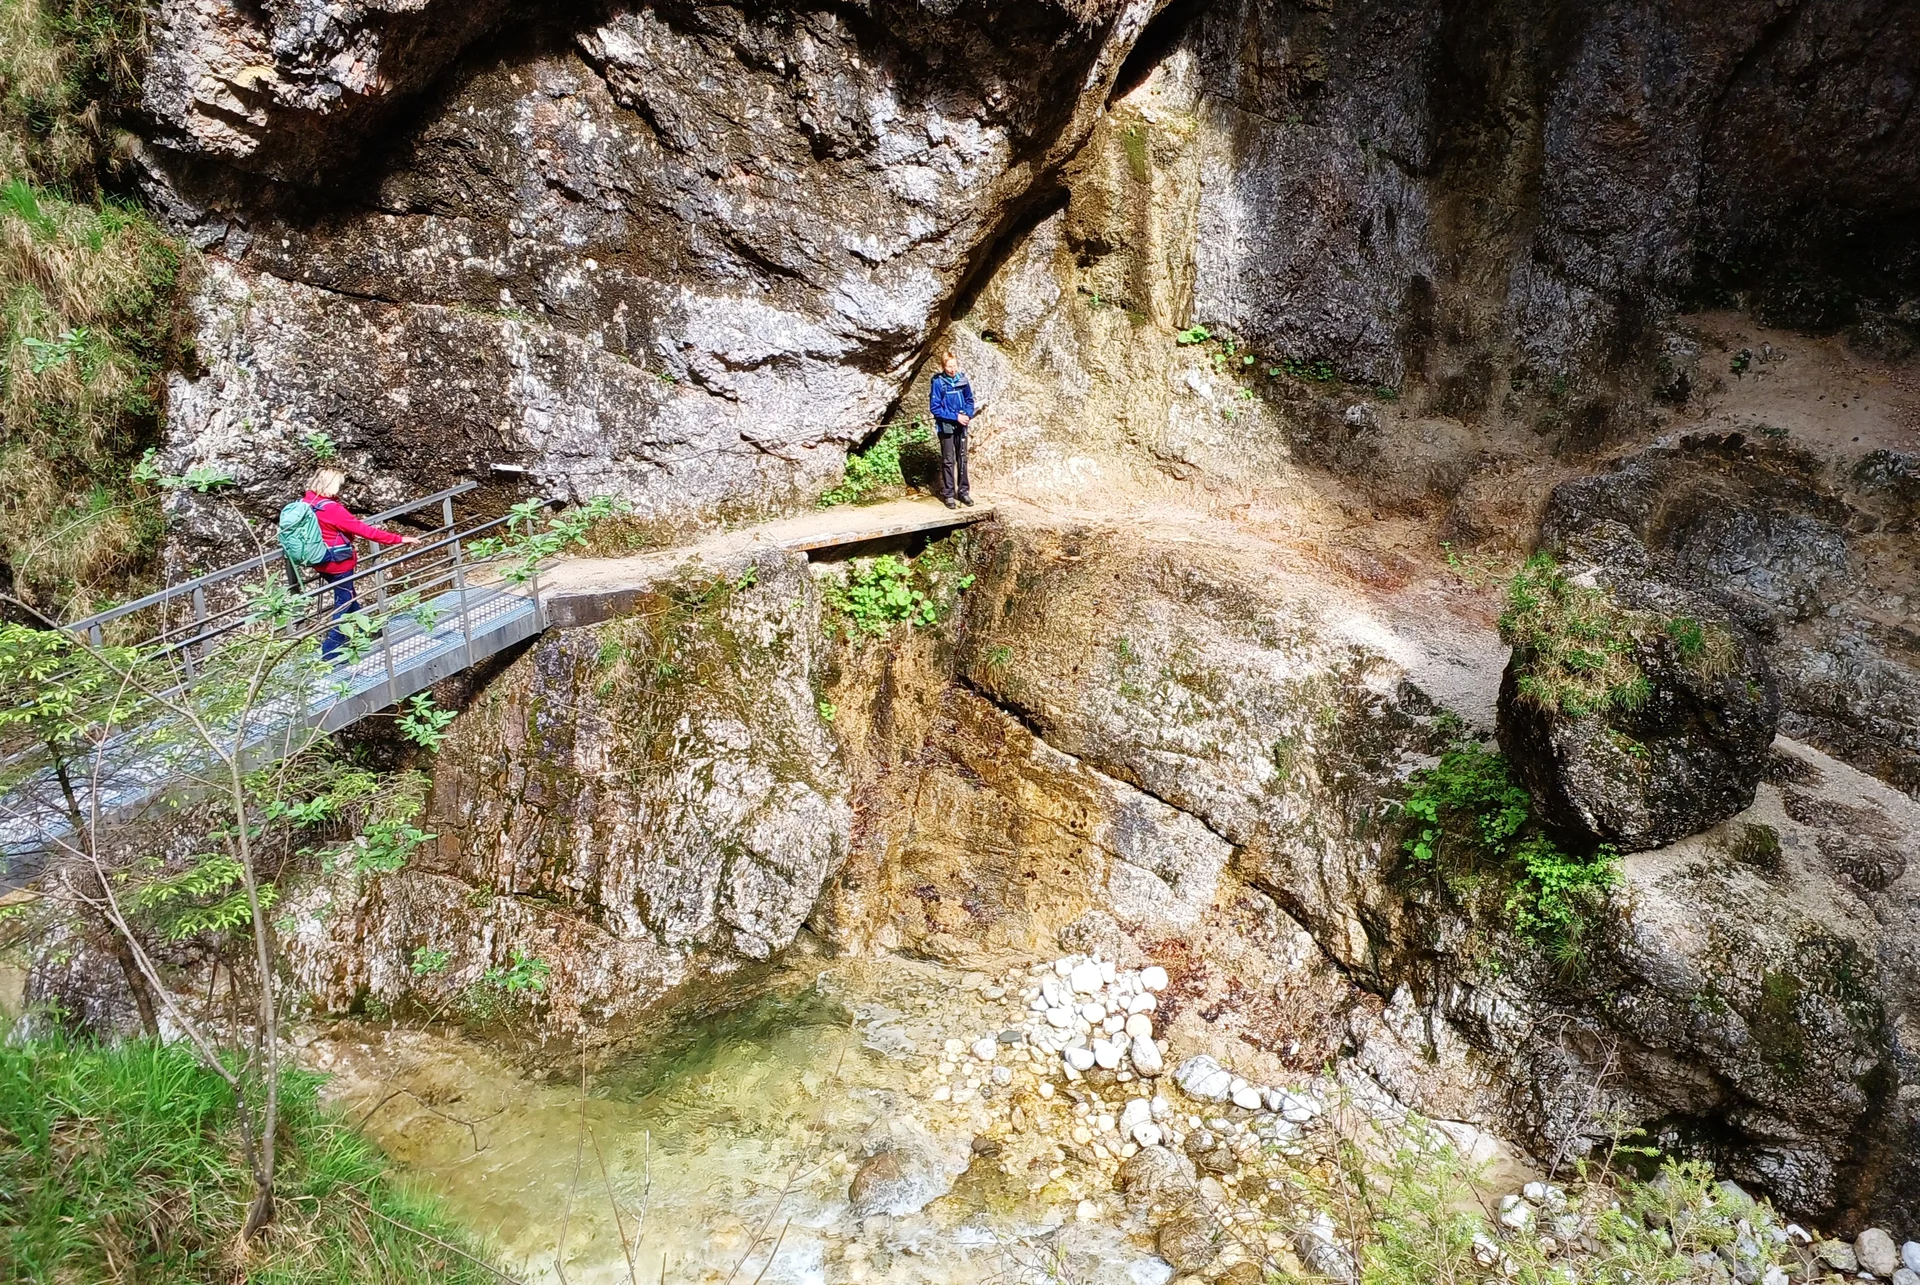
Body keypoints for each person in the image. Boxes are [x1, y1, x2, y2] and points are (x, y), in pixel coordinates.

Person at [301, 468, 419, 661]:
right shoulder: (330, 508)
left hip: (320, 561)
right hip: (339, 563)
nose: (340, 489)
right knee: (344, 603)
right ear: (331, 485)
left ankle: (369, 629)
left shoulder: (306, 503)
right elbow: (364, 530)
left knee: (349, 595)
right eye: (338, 485)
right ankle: (329, 651)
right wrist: (399, 539)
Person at [928, 351, 977, 509]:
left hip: (962, 425)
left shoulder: (962, 380)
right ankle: (949, 494)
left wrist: (967, 415)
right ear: (943, 366)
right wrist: (955, 417)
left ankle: (963, 492)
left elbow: (969, 400)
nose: (952, 369)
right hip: (946, 426)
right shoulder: (938, 382)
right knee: (948, 461)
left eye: (954, 366)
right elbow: (935, 409)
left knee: (962, 459)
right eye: (949, 367)